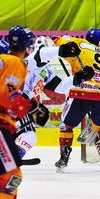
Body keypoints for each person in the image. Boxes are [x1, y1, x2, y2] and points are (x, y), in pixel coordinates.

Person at [53, 29, 100, 173]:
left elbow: (58, 39)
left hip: (79, 94)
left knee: (66, 126)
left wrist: (54, 40)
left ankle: (64, 158)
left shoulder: (79, 44)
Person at [15, 36, 81, 162]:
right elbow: (42, 55)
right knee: (24, 134)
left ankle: (11, 157)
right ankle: (10, 157)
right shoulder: (32, 59)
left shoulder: (47, 70)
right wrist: (61, 50)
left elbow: (60, 87)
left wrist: (77, 79)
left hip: (20, 104)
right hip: (12, 100)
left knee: (28, 136)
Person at [0, 26, 37, 199]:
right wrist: (30, 110)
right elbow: (8, 92)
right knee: (11, 178)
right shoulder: (15, 62)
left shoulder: (3, 60)